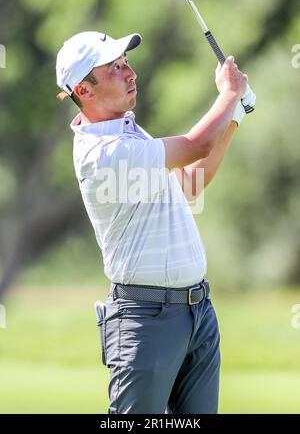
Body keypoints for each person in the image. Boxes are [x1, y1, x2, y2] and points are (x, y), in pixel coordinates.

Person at [56, 31, 256, 414]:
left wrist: (234, 117)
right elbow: (196, 144)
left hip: (197, 314)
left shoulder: (128, 132)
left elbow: (190, 184)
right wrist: (229, 94)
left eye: (126, 62)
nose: (130, 72)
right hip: (146, 323)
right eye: (114, 68)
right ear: (84, 89)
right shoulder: (105, 152)